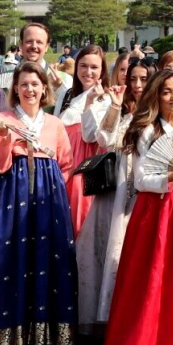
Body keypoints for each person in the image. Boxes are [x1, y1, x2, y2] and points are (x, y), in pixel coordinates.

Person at [101, 70, 173, 345]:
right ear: (156, 96)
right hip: (157, 209)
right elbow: (142, 179)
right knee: (151, 282)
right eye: (167, 92)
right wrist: (170, 178)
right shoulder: (146, 131)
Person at [0, 62, 77, 345]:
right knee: (7, 262)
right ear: (15, 89)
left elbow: (66, 165)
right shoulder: (2, 119)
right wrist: (5, 138)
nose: (30, 89)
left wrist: (54, 192)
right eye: (24, 84)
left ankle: (39, 340)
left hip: (47, 199)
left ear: (45, 88)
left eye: (35, 84)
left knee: (44, 262)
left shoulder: (55, 124)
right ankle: (1, 343)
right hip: (9, 195)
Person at [76, 57, 154, 335]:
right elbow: (104, 139)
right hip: (116, 191)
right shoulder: (123, 110)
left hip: (146, 191)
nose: (136, 85)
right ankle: (107, 319)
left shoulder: (159, 112)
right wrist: (115, 105)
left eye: (143, 79)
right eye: (132, 78)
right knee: (107, 252)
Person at [57, 45, 112, 238]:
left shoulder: (106, 99)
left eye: (94, 67)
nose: (88, 72)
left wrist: (90, 102)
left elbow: (93, 137)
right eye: (83, 66)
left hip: (85, 169)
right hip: (61, 164)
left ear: (102, 70)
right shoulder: (66, 95)